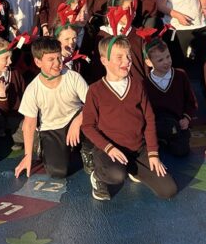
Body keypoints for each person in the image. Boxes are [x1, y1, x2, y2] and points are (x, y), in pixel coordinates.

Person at [82, 36, 176, 201]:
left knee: (168, 190)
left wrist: (153, 153)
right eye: (119, 57)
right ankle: (98, 176)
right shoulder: (95, 90)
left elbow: (149, 119)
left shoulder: (138, 84)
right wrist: (108, 147)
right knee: (117, 175)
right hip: (110, 150)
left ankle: (134, 169)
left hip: (138, 149)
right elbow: (88, 126)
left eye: (128, 56)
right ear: (104, 60)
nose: (126, 61)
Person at [16, 37, 89, 179]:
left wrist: (78, 120)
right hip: (52, 128)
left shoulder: (73, 77)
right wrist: (27, 156)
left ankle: (88, 150)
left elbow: (92, 104)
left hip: (76, 119)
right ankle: (47, 148)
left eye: (59, 58)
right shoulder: (33, 89)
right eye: (51, 60)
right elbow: (30, 124)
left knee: (93, 119)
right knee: (58, 172)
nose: (57, 63)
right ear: (38, 62)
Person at [142, 39, 195, 157]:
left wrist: (186, 119)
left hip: (178, 123)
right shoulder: (144, 83)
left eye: (168, 57)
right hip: (157, 124)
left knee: (181, 151)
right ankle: (160, 139)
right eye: (160, 60)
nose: (166, 62)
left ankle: (169, 139)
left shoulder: (181, 75)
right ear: (149, 62)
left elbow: (191, 102)